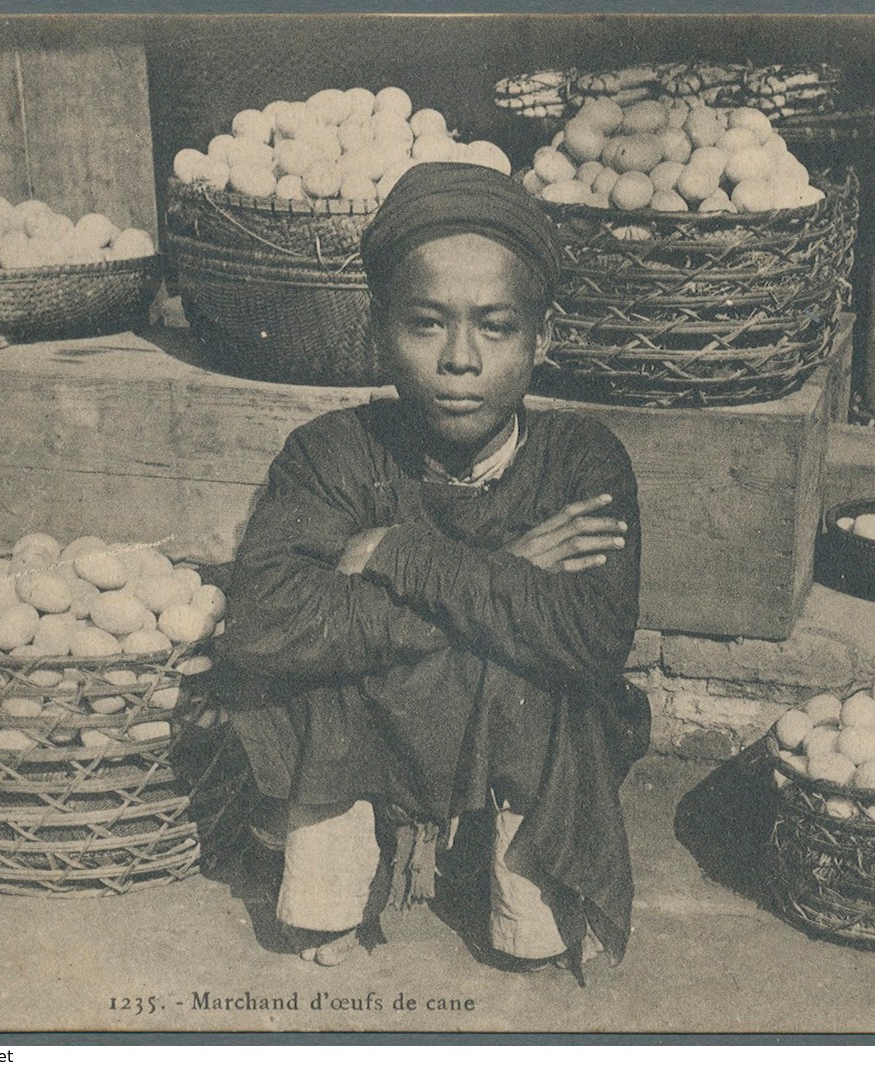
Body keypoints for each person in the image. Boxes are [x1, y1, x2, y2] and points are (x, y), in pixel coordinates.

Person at [216, 161, 648, 978]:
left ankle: (525, 901)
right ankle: (331, 891)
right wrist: (501, 573)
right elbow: (266, 622)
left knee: (537, 671)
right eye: (426, 324)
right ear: (381, 330)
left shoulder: (580, 462)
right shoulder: (333, 453)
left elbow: (591, 640)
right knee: (331, 661)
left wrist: (398, 554)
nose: (460, 359)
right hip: (375, 714)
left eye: (495, 326)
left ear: (541, 338)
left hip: (511, 714)